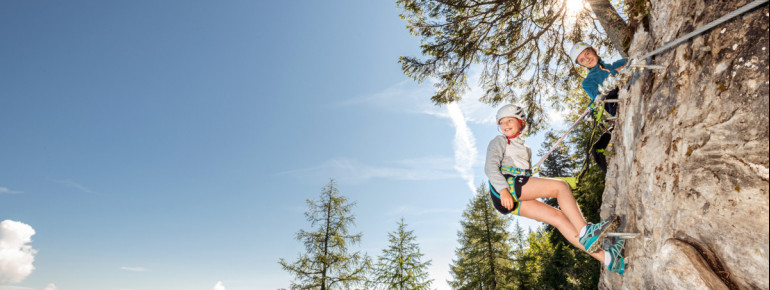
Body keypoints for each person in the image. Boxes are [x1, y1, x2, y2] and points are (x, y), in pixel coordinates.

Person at [485, 104, 626, 274]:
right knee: (561, 187)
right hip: (506, 187)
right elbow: (490, 167)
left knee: (559, 218)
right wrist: (503, 190)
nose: (505, 124)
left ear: (521, 122)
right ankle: (586, 232)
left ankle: (610, 260)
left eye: (509, 120)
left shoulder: (525, 149)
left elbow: (528, 179)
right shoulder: (499, 141)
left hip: (512, 195)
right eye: (501, 122)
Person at [570, 42, 628, 173]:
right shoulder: (588, 82)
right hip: (615, 106)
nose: (587, 59)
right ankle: (613, 175)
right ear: (581, 65)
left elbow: (630, 61)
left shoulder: (617, 64)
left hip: (627, 95)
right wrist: (616, 74)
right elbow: (598, 96)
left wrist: (620, 69)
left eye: (587, 54)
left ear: (594, 51)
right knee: (598, 149)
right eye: (582, 60)